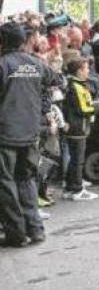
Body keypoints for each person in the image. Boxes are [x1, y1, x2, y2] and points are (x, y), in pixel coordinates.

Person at [0, 23, 51, 247]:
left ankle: (16, 234)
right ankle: (36, 229)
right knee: (27, 180)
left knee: (6, 184)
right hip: (31, 134)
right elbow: (53, 84)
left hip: (6, 134)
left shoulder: (3, 64)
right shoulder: (37, 64)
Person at [61, 56, 99, 201]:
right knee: (78, 159)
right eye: (86, 68)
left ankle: (70, 187)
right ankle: (77, 190)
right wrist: (98, 105)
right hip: (78, 126)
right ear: (79, 70)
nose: (88, 70)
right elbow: (84, 109)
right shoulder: (76, 86)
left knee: (74, 159)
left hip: (76, 125)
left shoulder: (76, 84)